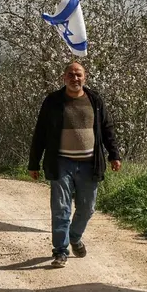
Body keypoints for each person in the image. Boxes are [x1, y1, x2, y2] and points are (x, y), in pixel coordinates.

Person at [29, 61, 121, 268]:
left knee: (87, 208)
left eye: (78, 74)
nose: (74, 78)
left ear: (85, 77)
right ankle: (60, 251)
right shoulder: (53, 101)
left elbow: (107, 129)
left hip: (89, 164)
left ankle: (74, 236)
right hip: (61, 163)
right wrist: (33, 162)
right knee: (61, 208)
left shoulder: (95, 100)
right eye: (70, 74)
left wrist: (114, 155)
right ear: (64, 78)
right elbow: (40, 133)